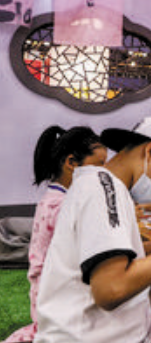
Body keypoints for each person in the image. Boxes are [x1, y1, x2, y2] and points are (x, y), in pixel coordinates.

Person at [34, 116, 151, 343]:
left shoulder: (106, 187)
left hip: (122, 332)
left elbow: (123, 257)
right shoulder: (103, 189)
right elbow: (111, 289)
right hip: (100, 338)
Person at [5, 126, 107, 343]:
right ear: (71, 163)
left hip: (47, 297)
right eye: (99, 166)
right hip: (57, 303)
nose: (104, 174)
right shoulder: (63, 206)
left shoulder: (54, 198)